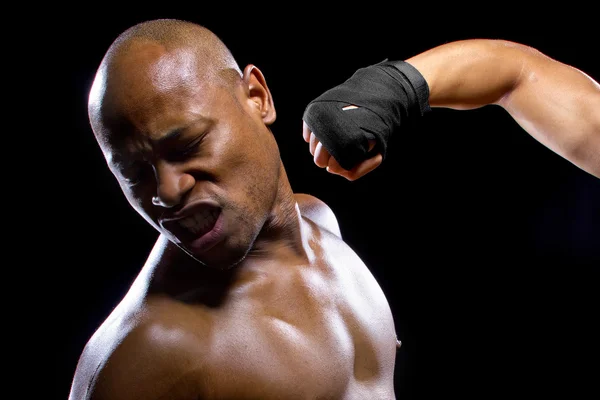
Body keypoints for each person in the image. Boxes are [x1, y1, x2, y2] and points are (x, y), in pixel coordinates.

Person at [68, 18, 599, 400]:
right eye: (133, 174)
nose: (165, 192)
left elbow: (520, 76)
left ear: (257, 97)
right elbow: (519, 74)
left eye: (185, 147)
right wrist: (397, 87)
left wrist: (398, 87)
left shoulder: (318, 224)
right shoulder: (143, 364)